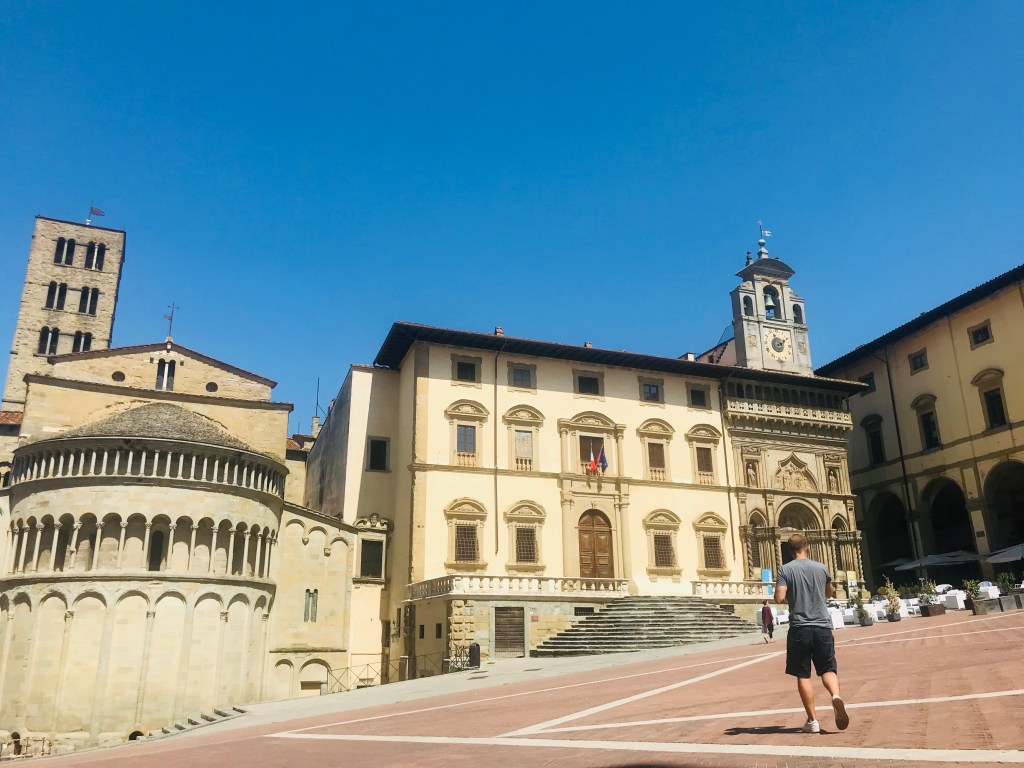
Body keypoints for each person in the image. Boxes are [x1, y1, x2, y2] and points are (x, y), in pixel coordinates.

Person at [774, 533, 850, 734]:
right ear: (807, 547)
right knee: (827, 669)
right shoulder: (822, 567)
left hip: (800, 628)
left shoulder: (785, 569)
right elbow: (829, 593)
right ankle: (835, 696)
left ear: (789, 551)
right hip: (823, 626)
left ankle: (813, 721)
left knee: (803, 674)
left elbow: (780, 598)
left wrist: (789, 591)